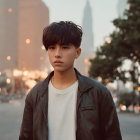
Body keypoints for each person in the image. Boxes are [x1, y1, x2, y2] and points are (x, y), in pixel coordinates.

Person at [19, 21, 122, 140]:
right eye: (52, 48)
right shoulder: (34, 95)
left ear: (77, 53)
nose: (57, 54)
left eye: (65, 47)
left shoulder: (99, 93)